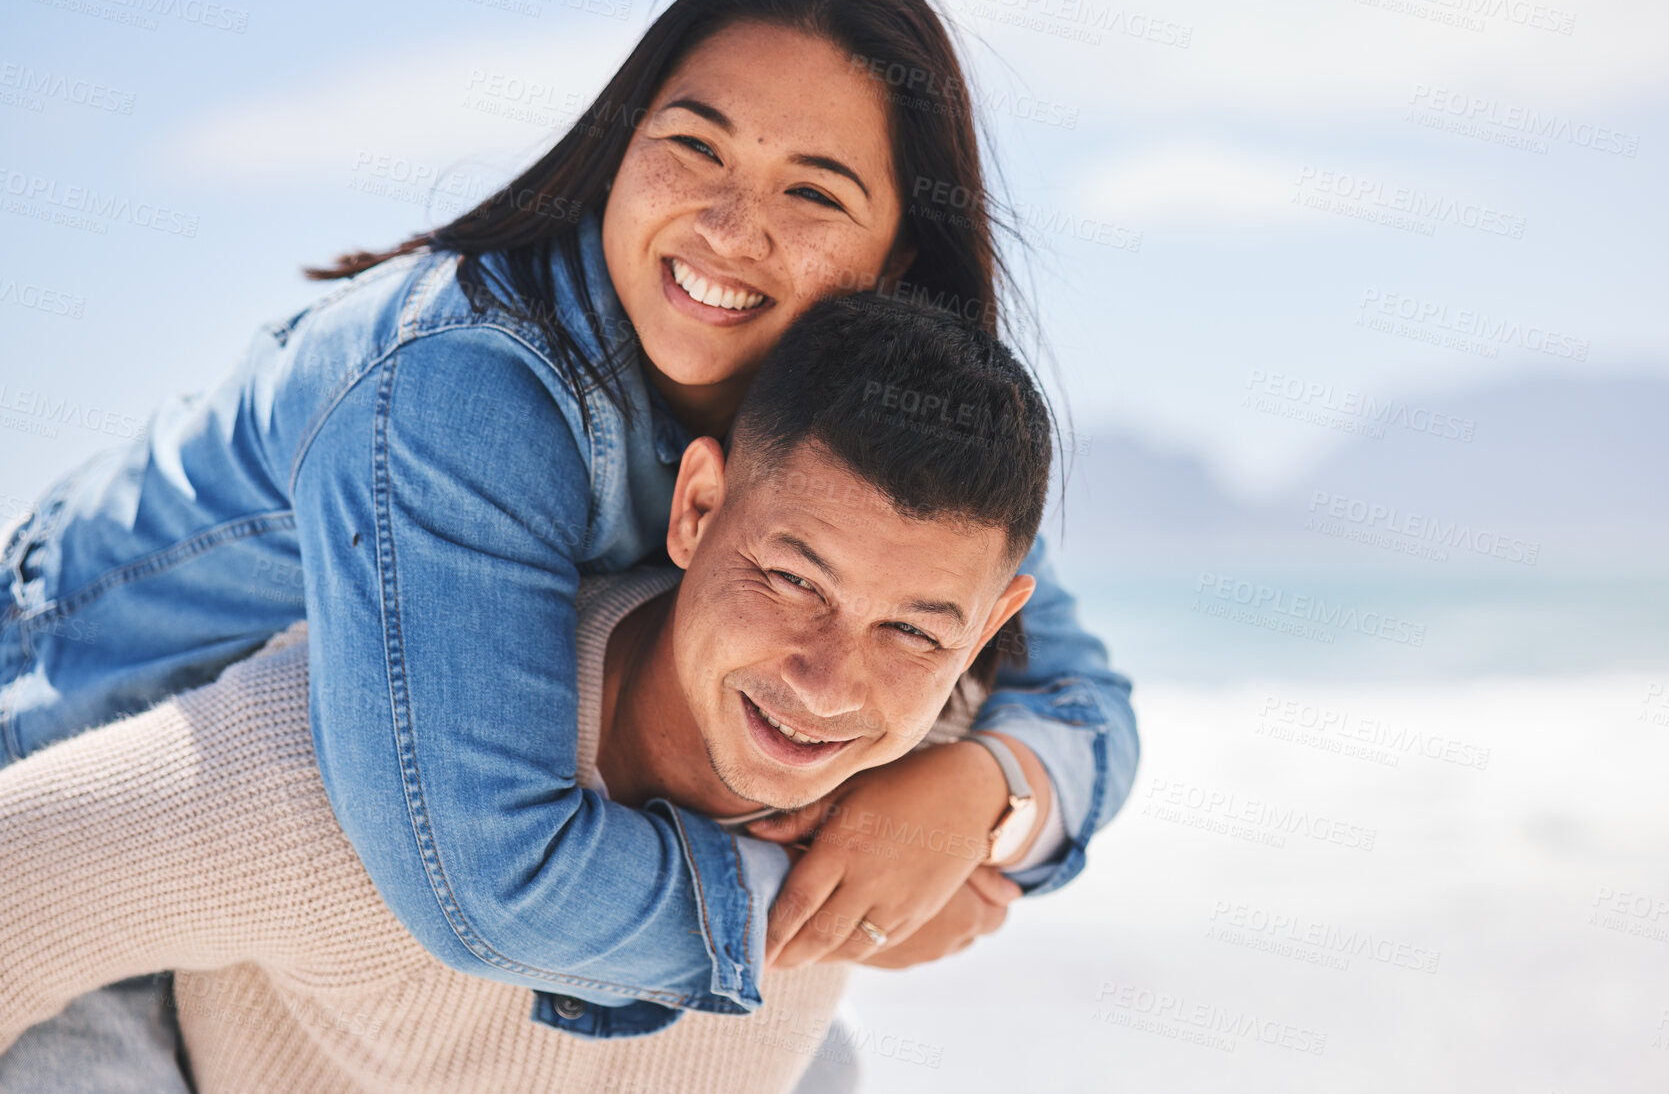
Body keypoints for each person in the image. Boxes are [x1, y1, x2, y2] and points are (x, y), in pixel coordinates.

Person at [0, 0, 1137, 1087]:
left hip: (304, 923)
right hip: (87, 769)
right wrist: (831, 900)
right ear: (617, 157)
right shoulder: (462, 383)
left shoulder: (863, 449)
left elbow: (1074, 696)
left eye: (811, 193)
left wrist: (977, 800)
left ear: (900, 264)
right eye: (692, 148)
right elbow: (488, 875)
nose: (731, 227)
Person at [1, 297, 1057, 1094]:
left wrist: (996, 792)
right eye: (792, 580)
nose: (828, 683)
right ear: (695, 509)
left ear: (988, 624)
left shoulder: (924, 766)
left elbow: (1084, 734)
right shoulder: (336, 777)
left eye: (914, 631)